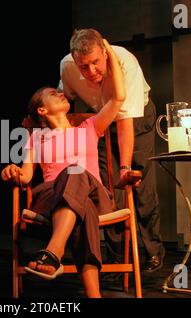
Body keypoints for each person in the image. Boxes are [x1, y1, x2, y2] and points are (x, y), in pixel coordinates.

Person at [1, 39, 125, 298]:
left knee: (75, 172)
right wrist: (12, 172)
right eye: (53, 93)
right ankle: (94, 295)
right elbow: (25, 175)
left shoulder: (91, 127)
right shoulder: (36, 138)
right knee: (82, 209)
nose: (61, 93)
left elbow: (118, 97)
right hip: (51, 196)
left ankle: (53, 251)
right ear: (42, 109)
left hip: (95, 193)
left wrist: (109, 54)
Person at [58, 28, 164, 273]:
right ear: (75, 61)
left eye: (96, 62)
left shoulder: (125, 62)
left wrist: (126, 167)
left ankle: (151, 252)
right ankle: (118, 256)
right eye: (84, 66)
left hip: (135, 121)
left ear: (104, 52)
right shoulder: (67, 66)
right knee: (107, 188)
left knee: (139, 186)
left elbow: (125, 121)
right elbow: (64, 102)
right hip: (101, 123)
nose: (92, 71)